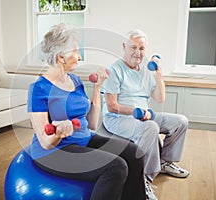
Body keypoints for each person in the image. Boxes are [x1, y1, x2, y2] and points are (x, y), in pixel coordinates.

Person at [27, 23, 147, 200]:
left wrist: (98, 87)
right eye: (76, 51)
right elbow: (45, 142)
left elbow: (92, 123)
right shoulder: (39, 88)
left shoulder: (75, 80)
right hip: (54, 151)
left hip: (83, 139)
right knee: (116, 167)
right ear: (61, 56)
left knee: (134, 153)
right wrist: (60, 132)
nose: (79, 56)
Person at [101, 29, 189, 200]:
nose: (137, 52)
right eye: (133, 47)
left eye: (141, 48)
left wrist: (158, 74)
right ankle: (143, 180)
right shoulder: (114, 70)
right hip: (118, 118)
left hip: (144, 115)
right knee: (150, 127)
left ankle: (165, 162)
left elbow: (160, 98)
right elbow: (112, 106)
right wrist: (136, 112)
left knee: (180, 122)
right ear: (124, 47)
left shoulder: (145, 71)